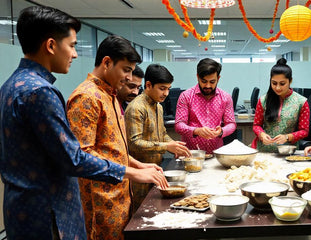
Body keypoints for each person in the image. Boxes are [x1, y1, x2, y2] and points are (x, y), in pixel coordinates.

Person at [0, 6, 165, 240]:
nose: (75, 54)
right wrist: (131, 172)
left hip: (25, 208)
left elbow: (107, 149)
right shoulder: (42, 91)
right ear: (50, 45)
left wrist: (136, 166)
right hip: (49, 211)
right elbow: (75, 158)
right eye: (72, 45)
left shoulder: (13, 85)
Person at [66, 35, 168, 240]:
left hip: (119, 195)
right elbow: (81, 157)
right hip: (101, 199)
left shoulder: (110, 95)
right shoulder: (87, 97)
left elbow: (113, 148)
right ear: (107, 62)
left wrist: (138, 165)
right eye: (126, 70)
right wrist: (131, 172)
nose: (130, 78)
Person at [125, 63, 191, 212]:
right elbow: (134, 143)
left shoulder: (158, 107)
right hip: (138, 173)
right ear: (148, 85)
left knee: (155, 209)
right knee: (140, 213)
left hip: (156, 169)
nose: (166, 93)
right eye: (162, 88)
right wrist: (166, 147)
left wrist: (174, 144)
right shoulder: (136, 107)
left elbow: (162, 135)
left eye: (168, 88)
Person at [175, 58, 236, 153]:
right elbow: (179, 125)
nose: (208, 86)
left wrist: (221, 131)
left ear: (218, 78)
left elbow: (231, 124)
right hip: (191, 154)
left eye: (212, 82)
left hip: (216, 153)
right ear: (197, 77)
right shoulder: (186, 96)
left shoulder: (225, 97)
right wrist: (196, 131)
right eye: (204, 81)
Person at [252, 58, 310, 152]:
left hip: (287, 152)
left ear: (290, 81)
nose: (277, 87)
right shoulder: (263, 100)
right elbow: (256, 125)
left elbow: (304, 131)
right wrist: (261, 135)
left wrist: (287, 137)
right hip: (263, 150)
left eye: (282, 84)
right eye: (274, 83)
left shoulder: (301, 102)